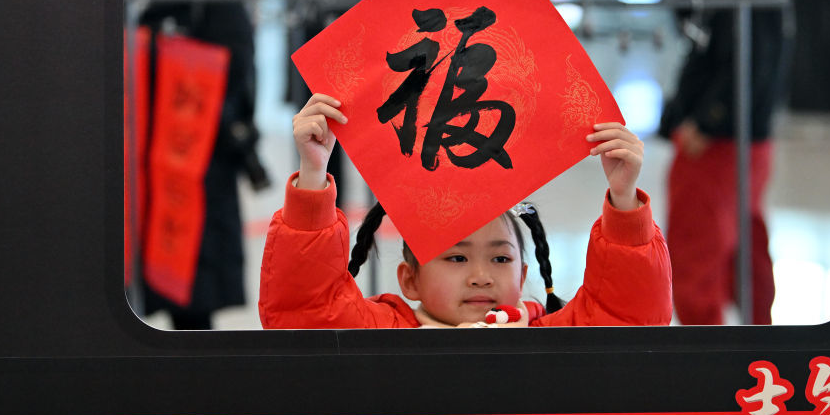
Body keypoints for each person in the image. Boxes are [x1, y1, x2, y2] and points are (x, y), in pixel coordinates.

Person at [258, 93, 672, 329]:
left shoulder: (546, 337)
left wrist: (623, 197)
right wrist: (314, 173)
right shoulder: (387, 337)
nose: (481, 275)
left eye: (501, 257)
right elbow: (308, 310)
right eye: (456, 256)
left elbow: (627, 316)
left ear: (524, 275)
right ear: (410, 280)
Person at [124, 0, 268, 329]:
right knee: (132, 288)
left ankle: (193, 391)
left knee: (191, 291)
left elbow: (238, 74)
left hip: (194, 162)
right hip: (134, 162)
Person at [658, 0, 787, 325]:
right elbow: (693, 33)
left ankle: (704, 354)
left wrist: (705, 124)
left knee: (696, 248)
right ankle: (757, 342)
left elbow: (752, 69)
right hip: (739, 143)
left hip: (720, 144)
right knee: (742, 244)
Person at [282, 0, 351, 208]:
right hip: (306, 65)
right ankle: (316, 198)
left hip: (323, 66)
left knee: (327, 136)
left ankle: (329, 204)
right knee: (309, 134)